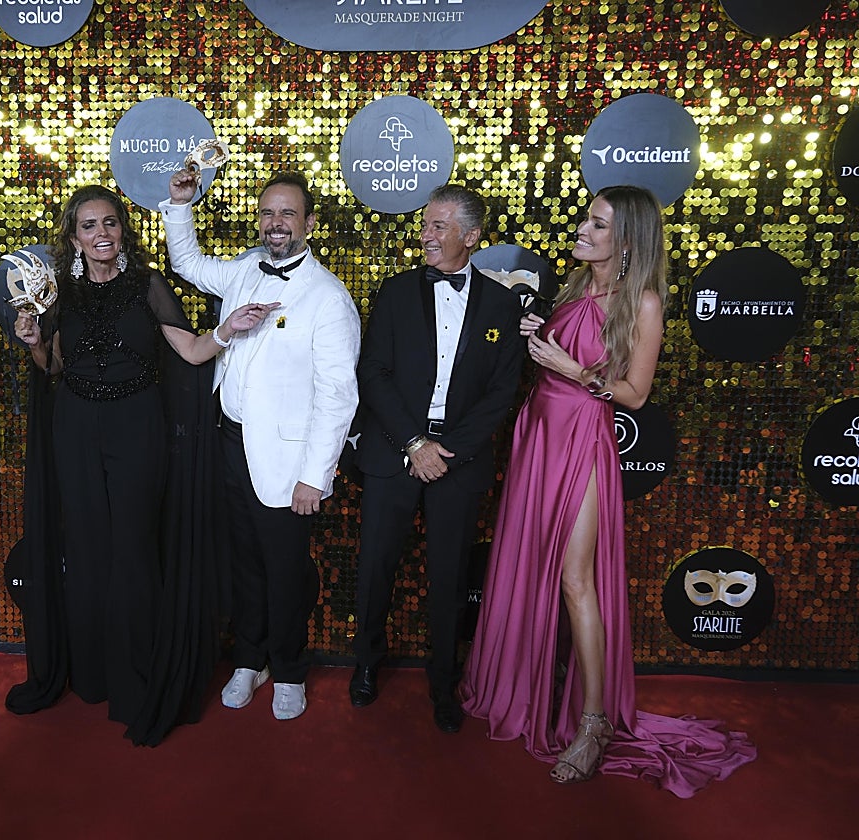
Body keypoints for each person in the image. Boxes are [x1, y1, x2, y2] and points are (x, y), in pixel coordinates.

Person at [460, 185, 756, 795]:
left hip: (581, 442)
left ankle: (592, 724)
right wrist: (533, 334)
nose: (583, 229)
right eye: (586, 218)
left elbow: (636, 395)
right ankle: (524, 687)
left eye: (597, 224)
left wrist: (570, 369)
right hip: (537, 434)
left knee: (574, 578)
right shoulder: (573, 288)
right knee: (527, 564)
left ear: (627, 240)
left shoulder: (642, 302)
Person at [6, 184, 277, 745]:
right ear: (73, 236)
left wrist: (230, 329)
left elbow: (194, 351)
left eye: (109, 223)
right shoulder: (59, 294)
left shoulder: (147, 285)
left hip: (137, 428)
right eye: (89, 226)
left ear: (122, 229)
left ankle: (136, 678)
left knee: (131, 548)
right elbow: (53, 366)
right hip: (76, 429)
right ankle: (94, 673)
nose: (101, 234)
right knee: (86, 549)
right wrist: (33, 338)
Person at [159, 170, 360, 721]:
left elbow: (338, 396)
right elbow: (189, 265)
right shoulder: (245, 269)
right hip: (228, 443)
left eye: (288, 213)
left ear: (309, 224)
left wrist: (314, 476)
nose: (276, 223)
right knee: (244, 563)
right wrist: (180, 205)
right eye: (269, 212)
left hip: (287, 460)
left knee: (284, 569)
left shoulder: (328, 297)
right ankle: (250, 659)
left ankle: (289, 667)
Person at [350, 184, 525, 732]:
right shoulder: (395, 291)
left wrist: (451, 450)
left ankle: (443, 684)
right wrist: (414, 444)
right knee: (376, 567)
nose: (426, 234)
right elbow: (372, 372)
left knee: (449, 578)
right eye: (426, 224)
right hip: (396, 451)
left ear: (471, 237)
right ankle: (365, 666)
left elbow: (504, 391)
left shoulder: (502, 304)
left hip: (459, 460)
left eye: (439, 226)